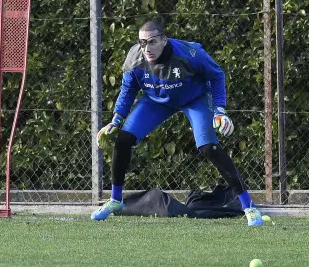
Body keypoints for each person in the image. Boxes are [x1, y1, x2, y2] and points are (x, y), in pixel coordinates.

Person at [92, 20, 263, 226]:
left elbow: (217, 76)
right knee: (123, 139)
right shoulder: (135, 57)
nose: (146, 48)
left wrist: (220, 111)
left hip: (194, 99)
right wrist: (116, 120)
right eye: (142, 42)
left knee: (209, 148)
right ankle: (115, 201)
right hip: (156, 100)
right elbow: (128, 89)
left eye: (152, 42)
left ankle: (248, 206)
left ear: (164, 40)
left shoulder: (190, 54)